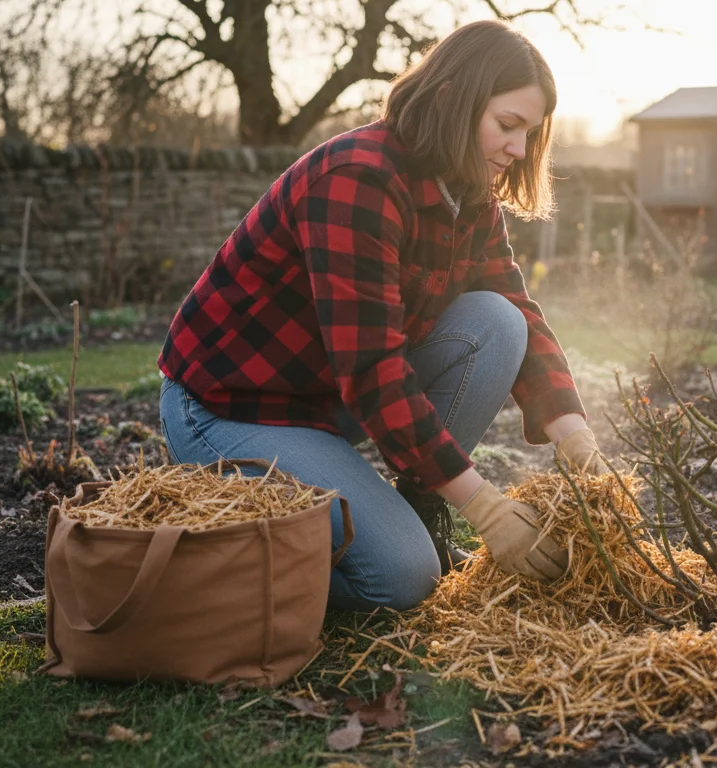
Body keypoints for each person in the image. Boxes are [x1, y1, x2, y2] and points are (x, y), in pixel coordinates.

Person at [157, 19, 608, 613]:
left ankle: (424, 512)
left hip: (322, 398)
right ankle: (210, 566)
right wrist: (487, 509)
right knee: (401, 579)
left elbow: (517, 308)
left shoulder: (469, 189)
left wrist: (577, 439)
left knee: (499, 322)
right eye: (508, 125)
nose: (520, 150)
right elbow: (374, 368)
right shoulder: (357, 179)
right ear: (453, 100)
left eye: (530, 133)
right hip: (233, 407)